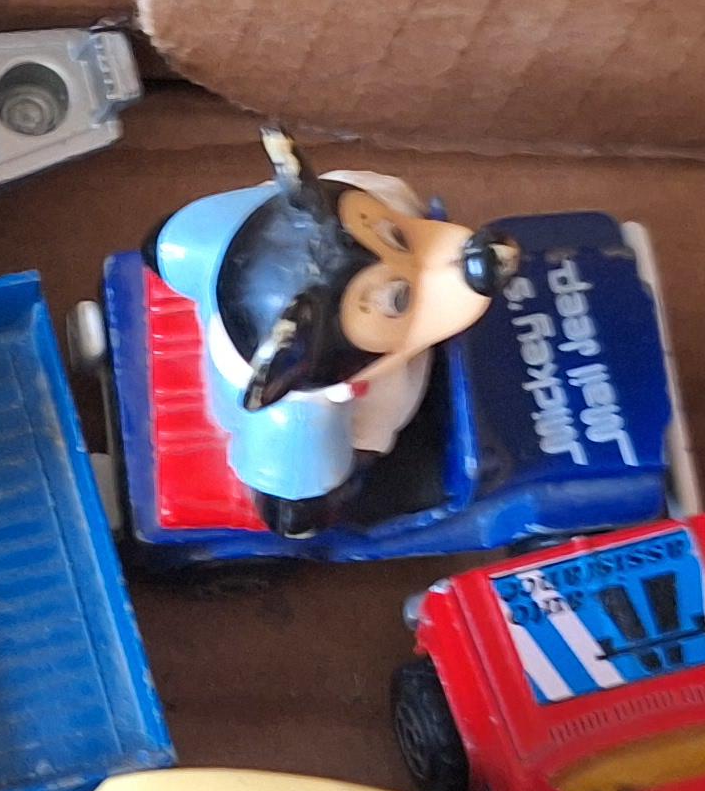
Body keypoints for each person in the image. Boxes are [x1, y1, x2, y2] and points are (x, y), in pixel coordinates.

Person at [150, 129, 511, 539]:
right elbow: (295, 504)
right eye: (398, 297)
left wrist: (393, 230)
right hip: (346, 406)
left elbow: (174, 242)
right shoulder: (298, 416)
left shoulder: (350, 202)